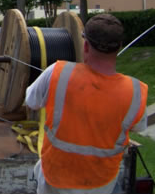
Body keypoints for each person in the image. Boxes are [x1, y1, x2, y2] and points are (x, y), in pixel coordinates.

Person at [26, 14, 148, 193]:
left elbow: (31, 101)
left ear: (85, 45)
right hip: (101, 184)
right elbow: (138, 126)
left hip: (56, 180)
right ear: (119, 47)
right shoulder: (135, 91)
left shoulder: (57, 73)